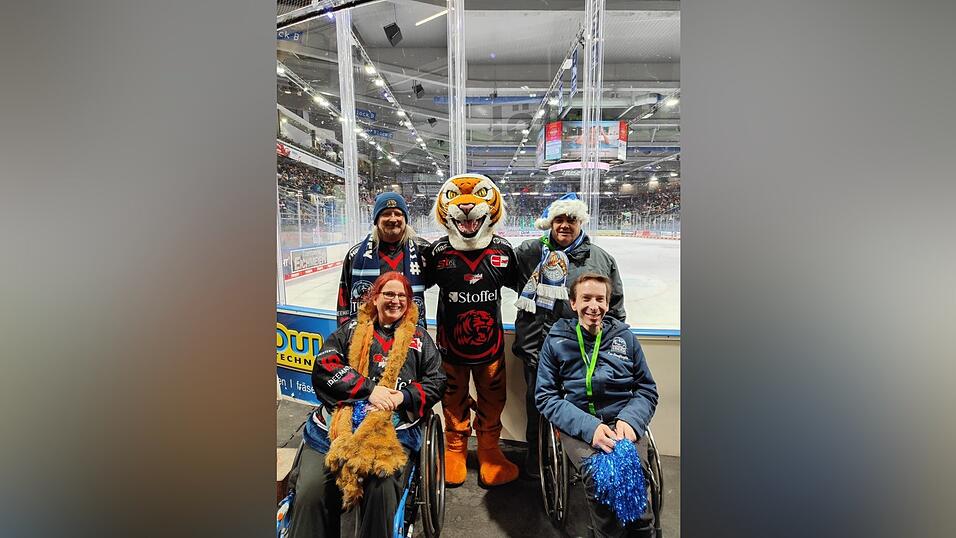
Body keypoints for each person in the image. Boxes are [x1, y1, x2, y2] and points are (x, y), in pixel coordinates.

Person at [287, 272, 446, 538]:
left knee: (381, 487)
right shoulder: (349, 330)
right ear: (375, 297)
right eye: (389, 294)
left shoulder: (419, 337)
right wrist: (369, 391)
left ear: (409, 302)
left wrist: (401, 397)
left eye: (401, 296)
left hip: (392, 429)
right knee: (311, 490)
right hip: (338, 425)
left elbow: (437, 380)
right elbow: (325, 367)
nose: (395, 301)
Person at [513, 192, 626, 478]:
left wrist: (606, 351)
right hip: (538, 350)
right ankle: (537, 463)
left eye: (571, 219)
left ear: (581, 223)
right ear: (549, 223)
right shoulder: (529, 253)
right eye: (559, 219)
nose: (565, 225)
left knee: (581, 407)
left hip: (581, 354)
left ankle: (577, 462)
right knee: (538, 408)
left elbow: (615, 310)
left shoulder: (600, 259)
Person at [536, 273, 657, 538]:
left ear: (608, 302)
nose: (594, 306)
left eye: (600, 299)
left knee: (631, 471)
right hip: (579, 422)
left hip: (622, 421)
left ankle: (642, 530)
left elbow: (647, 389)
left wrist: (630, 419)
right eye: (586, 298)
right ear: (573, 303)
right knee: (600, 477)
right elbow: (545, 396)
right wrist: (590, 428)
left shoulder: (625, 338)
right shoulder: (556, 340)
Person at [426, 173, 522, 487]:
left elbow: (528, 289)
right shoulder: (438, 253)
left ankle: (489, 450)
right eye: (456, 198)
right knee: (452, 398)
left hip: (490, 350)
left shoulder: (504, 252)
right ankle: (454, 449)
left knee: (493, 399)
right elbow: (409, 284)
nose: (466, 206)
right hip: (449, 349)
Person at [337, 192, 430, 327]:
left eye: (398, 213)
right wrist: (346, 335)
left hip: (410, 337)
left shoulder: (423, 252)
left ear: (405, 219)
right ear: (376, 220)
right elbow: (343, 299)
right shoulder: (355, 255)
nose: (393, 219)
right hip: (368, 337)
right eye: (386, 214)